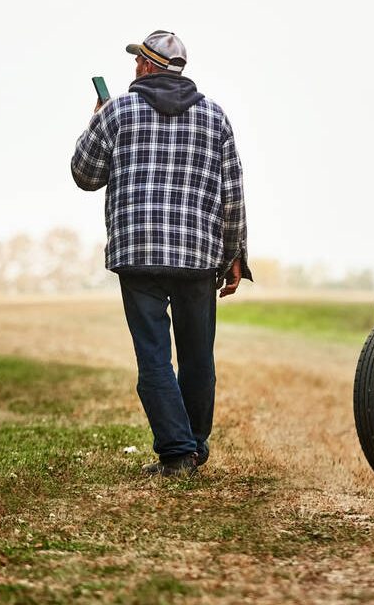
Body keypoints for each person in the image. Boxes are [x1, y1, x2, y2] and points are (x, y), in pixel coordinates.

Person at [71, 29, 251, 477]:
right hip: (197, 256)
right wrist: (235, 255)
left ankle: (177, 452)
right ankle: (194, 445)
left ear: (147, 67)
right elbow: (232, 195)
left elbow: (84, 174)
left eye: (137, 62)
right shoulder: (215, 117)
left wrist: (97, 120)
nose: (134, 68)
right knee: (197, 357)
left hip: (138, 254)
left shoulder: (118, 112)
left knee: (153, 357)